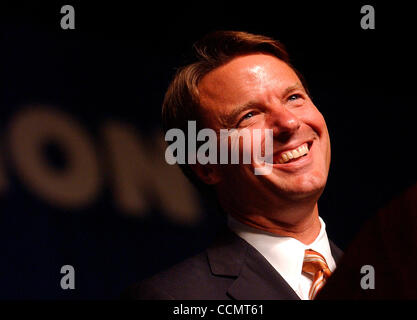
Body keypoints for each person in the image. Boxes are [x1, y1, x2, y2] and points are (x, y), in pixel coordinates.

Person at [124, 31, 343, 300]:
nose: (288, 122)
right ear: (207, 166)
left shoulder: (390, 276)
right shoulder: (172, 298)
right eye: (249, 115)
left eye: (294, 98)